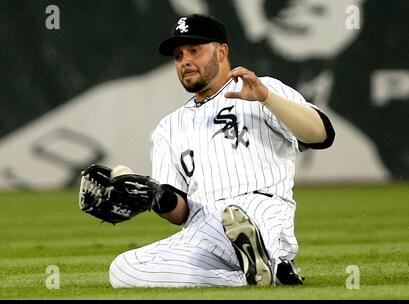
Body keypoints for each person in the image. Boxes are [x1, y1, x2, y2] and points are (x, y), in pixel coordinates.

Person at [108, 14, 335, 288]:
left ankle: (261, 259)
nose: (185, 61)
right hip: (203, 231)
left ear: (222, 51)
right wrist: (153, 196)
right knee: (123, 269)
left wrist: (267, 99)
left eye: (195, 50)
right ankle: (257, 276)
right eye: (179, 55)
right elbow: (179, 212)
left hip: (260, 211)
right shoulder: (168, 127)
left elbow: (321, 135)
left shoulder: (261, 89)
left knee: (237, 213)